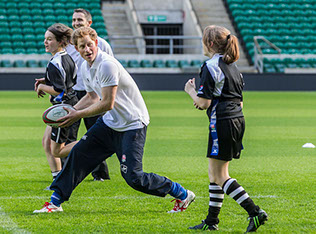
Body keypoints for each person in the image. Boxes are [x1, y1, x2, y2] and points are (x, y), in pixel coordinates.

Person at [33, 27, 195, 214]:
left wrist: (76, 115)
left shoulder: (107, 65)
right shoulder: (85, 67)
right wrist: (70, 111)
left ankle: (182, 193)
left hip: (132, 124)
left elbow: (107, 103)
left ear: (96, 43)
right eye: (82, 47)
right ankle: (55, 202)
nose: (87, 49)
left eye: (89, 45)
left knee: (133, 177)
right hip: (110, 123)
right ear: (77, 50)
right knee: (78, 154)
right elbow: (92, 97)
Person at [184, 25, 268, 232]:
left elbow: (203, 103)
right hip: (236, 120)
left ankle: (255, 212)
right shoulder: (234, 67)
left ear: (210, 44)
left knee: (220, 176)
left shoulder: (210, 66)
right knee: (216, 174)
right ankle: (211, 222)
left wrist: (191, 91)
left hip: (221, 122)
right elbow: (239, 102)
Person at [66, 8, 113, 181]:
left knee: (95, 134)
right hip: (73, 93)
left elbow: (111, 67)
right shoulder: (70, 46)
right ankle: (69, 172)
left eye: (80, 20)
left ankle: (100, 174)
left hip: (94, 93)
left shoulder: (102, 44)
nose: (76, 23)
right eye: (74, 20)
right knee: (69, 135)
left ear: (89, 23)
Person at [34, 23, 79, 186]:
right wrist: (46, 80)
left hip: (63, 108)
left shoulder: (55, 62)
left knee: (57, 149)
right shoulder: (67, 57)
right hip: (68, 104)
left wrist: (42, 86)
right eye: (45, 39)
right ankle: (57, 177)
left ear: (60, 41)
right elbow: (70, 81)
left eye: (50, 39)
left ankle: (92, 143)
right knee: (46, 141)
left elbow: (61, 91)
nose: (45, 42)